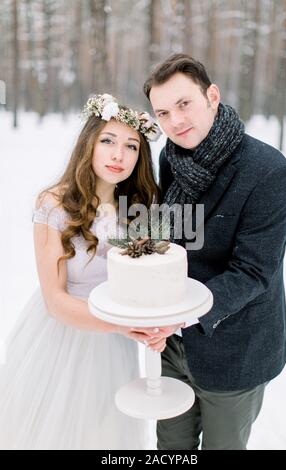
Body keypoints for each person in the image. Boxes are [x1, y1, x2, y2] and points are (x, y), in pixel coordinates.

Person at [141, 53, 286, 450]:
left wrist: (184, 313)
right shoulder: (170, 158)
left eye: (184, 104)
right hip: (172, 346)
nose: (175, 121)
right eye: (162, 113)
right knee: (170, 447)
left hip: (235, 351)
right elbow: (173, 237)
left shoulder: (270, 172)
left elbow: (253, 272)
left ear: (212, 95)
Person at [0, 94, 166, 450]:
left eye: (131, 146)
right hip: (62, 336)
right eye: (108, 141)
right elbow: (55, 300)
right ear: (88, 143)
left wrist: (155, 327)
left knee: (104, 432)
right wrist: (119, 324)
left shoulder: (138, 210)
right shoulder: (54, 205)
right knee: (55, 431)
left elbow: (146, 283)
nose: (119, 155)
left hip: (115, 346)